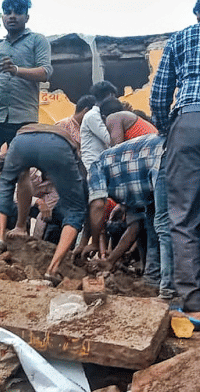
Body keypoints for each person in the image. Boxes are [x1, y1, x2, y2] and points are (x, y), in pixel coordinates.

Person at [0, 0, 53, 231]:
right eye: (7, 12)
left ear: (27, 17)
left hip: (24, 117)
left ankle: (20, 226)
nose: (12, 16)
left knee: (21, 172)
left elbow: (46, 72)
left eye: (18, 12)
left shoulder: (38, 40)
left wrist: (17, 70)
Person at [0, 124, 86, 285]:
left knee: (6, 183)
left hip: (22, 140)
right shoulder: (76, 161)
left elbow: (2, 183)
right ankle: (52, 269)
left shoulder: (34, 170)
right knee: (76, 209)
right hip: (59, 144)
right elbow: (80, 196)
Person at [150, 0, 200, 310]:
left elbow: (159, 94)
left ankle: (194, 302)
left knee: (183, 216)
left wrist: (168, 127)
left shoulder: (181, 39)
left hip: (189, 123)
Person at [87, 134, 174, 299]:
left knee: (163, 225)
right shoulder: (126, 184)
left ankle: (169, 290)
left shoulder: (95, 168)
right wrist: (110, 260)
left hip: (162, 156)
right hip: (159, 159)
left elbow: (96, 206)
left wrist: (93, 243)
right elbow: (135, 226)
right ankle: (153, 278)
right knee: (152, 223)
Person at [79, 81, 118, 172]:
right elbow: (109, 139)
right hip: (93, 165)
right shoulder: (92, 115)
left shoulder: (101, 114)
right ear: (109, 95)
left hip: (101, 164)